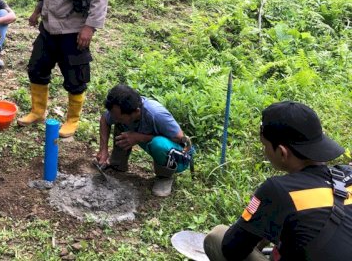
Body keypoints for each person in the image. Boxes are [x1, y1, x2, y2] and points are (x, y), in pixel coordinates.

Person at [204, 101, 352, 261]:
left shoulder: (277, 190)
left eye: (265, 145)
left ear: (282, 152)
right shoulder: (348, 173)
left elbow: (232, 249)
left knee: (216, 236)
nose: (264, 150)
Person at [17, 0, 109, 138]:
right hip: (48, 28)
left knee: (75, 77)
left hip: (73, 32)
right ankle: (38, 112)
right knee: (36, 68)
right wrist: (37, 10)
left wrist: (90, 27)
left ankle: (72, 120)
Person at [95, 85, 192, 197]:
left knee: (159, 144)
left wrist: (138, 137)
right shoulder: (121, 110)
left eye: (119, 117)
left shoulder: (156, 114)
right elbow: (105, 120)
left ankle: (164, 177)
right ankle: (117, 164)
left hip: (179, 155)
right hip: (147, 137)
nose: (115, 119)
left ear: (136, 111)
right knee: (121, 123)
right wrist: (103, 150)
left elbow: (181, 139)